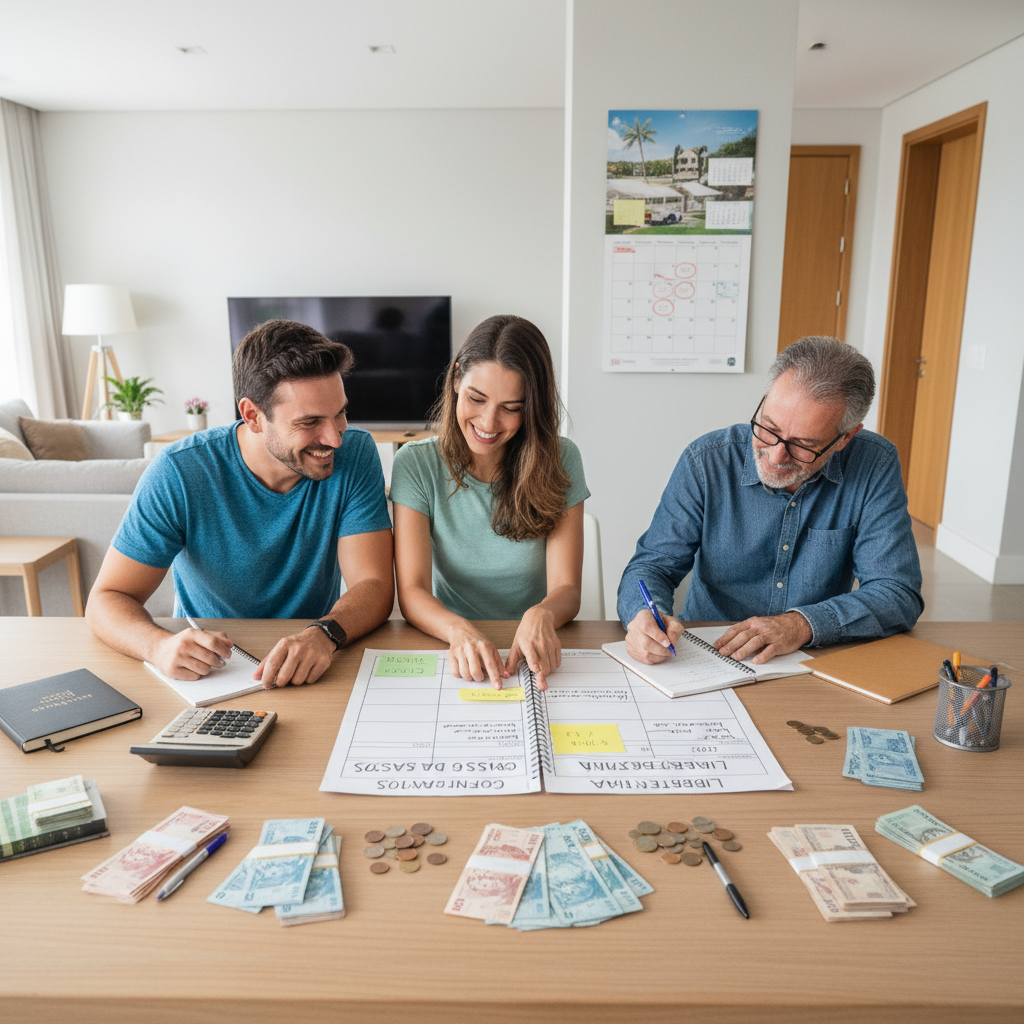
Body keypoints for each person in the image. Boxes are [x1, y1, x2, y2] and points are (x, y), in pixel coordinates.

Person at [86, 319, 394, 687]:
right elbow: (107, 598)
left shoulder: (356, 452)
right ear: (252, 415)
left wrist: (324, 635)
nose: (335, 438)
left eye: (340, 413)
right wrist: (157, 646)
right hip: (212, 668)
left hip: (313, 656)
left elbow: (374, 584)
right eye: (310, 422)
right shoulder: (180, 472)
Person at [618, 335, 923, 666]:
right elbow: (652, 566)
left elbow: (897, 592)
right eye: (768, 427)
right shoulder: (706, 461)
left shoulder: (873, 463)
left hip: (813, 658)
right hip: (707, 653)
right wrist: (643, 616)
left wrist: (801, 625)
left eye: (804, 444)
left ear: (845, 438)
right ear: (764, 402)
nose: (776, 454)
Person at [390, 314, 590, 690]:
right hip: (452, 641)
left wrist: (541, 613)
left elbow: (567, 588)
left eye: (511, 408)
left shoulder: (562, 458)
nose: (488, 422)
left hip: (535, 643)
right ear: (454, 380)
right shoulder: (415, 463)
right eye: (476, 399)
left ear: (531, 407)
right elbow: (413, 591)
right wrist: (459, 631)